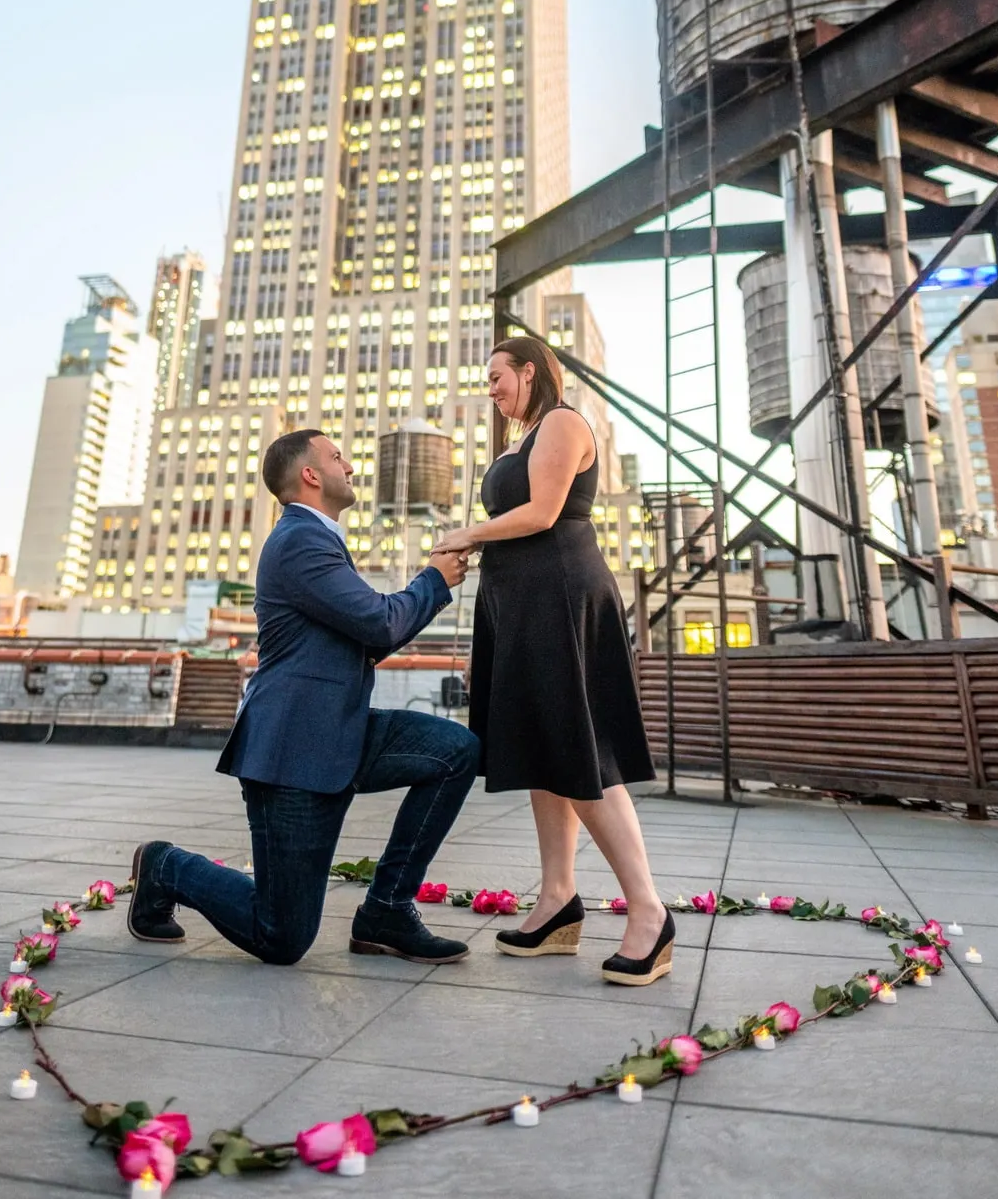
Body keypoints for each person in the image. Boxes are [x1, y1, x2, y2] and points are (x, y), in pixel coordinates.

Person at [127, 428, 478, 966]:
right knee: (282, 938)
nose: (352, 468)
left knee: (455, 751)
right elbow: (380, 624)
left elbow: (358, 641)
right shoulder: (300, 541)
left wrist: (424, 591)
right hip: (292, 752)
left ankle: (386, 909)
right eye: (338, 457)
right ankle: (164, 866)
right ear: (311, 474)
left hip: (341, 729)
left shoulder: (320, 541)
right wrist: (434, 579)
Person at [434, 336, 672, 987]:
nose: (490, 387)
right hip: (522, 602)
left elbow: (542, 513)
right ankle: (557, 899)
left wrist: (467, 533)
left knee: (577, 749)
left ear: (529, 370)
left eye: (496, 376)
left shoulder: (564, 422)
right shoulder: (520, 438)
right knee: (545, 748)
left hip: (560, 595)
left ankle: (649, 911)